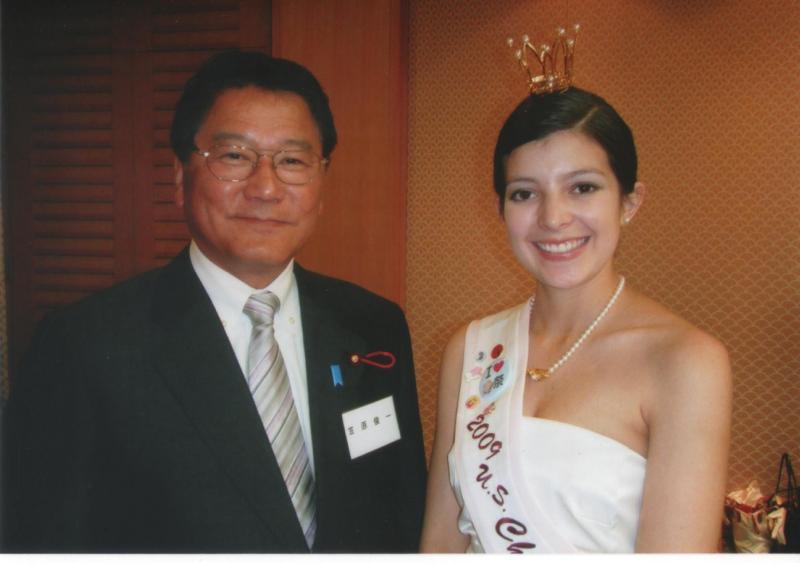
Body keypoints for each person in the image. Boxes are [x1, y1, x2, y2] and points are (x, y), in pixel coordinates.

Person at [2, 50, 426, 553]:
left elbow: (404, 512)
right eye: (234, 157)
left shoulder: (374, 324)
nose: (265, 188)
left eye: (292, 161)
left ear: (322, 181)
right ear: (180, 178)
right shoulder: (85, 346)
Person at [420, 87, 732, 553]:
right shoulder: (472, 348)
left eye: (582, 187)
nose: (553, 217)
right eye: (524, 193)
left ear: (629, 201)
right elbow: (440, 542)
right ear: (501, 210)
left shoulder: (684, 361)